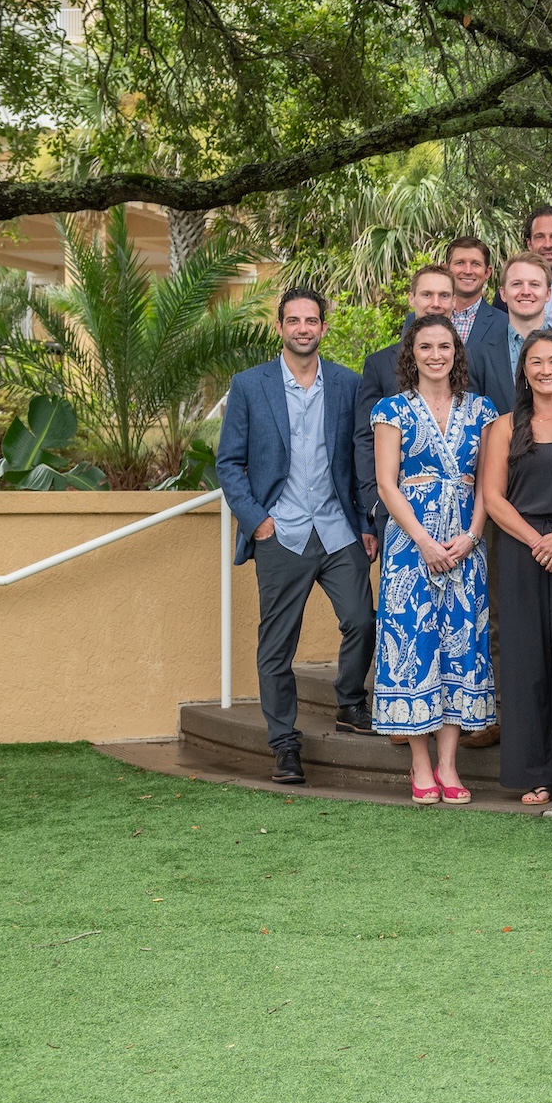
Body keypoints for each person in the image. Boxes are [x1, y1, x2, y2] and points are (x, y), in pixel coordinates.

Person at [216, 288, 377, 786]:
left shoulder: (348, 384)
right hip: (280, 533)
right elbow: (229, 463)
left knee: (362, 621)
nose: (303, 328)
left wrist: (368, 524)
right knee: (277, 644)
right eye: (294, 320)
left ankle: (349, 701)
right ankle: (284, 742)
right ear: (281, 328)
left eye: (312, 320)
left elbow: (359, 458)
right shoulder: (250, 385)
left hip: (338, 529)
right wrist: (257, 520)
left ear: (323, 328)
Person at [369, 314, 498, 803]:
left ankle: (449, 764)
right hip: (411, 546)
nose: (436, 354)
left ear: (456, 353)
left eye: (445, 346)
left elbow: (488, 483)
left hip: (466, 544)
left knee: (459, 648)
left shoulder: (482, 410)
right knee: (414, 646)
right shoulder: (392, 409)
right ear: (412, 354)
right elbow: (386, 483)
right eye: (426, 347)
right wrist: (423, 540)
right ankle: (420, 764)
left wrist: (472, 534)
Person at [480, 329, 552, 807]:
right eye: (536, 361)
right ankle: (535, 773)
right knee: (526, 660)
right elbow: (493, 498)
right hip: (522, 549)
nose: (546, 370)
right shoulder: (503, 427)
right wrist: (537, 540)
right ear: (523, 370)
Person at [355, 263, 455, 535]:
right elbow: (365, 438)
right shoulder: (378, 364)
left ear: (454, 301)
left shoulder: (466, 359)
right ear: (411, 298)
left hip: (461, 514)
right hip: (396, 514)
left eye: (444, 295)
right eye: (427, 294)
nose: (436, 303)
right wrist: (375, 503)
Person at [473, 254, 552, 414]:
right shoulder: (478, 358)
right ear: (503, 294)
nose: (526, 291)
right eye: (517, 284)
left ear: (548, 294)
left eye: (534, 284)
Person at [444, 237, 505, 346]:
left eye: (476, 264)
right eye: (460, 263)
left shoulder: (504, 324)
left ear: (487, 272)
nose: (468, 271)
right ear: (446, 270)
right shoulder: (419, 318)